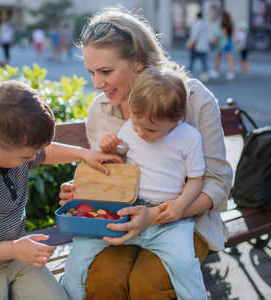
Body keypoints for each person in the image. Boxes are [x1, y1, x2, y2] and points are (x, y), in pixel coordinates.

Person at [58, 7, 233, 300]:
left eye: (105, 71)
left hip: (185, 220)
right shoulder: (100, 110)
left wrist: (157, 215)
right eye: (91, 72)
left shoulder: (193, 99)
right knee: (102, 281)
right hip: (122, 217)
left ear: (138, 62)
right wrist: (84, 190)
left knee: (148, 285)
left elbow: (218, 182)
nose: (96, 84)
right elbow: (109, 171)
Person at [0, 80, 122, 300]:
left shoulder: (11, 150)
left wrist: (83, 154)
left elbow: (44, 153)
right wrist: (12, 248)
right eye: (27, 157)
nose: (33, 159)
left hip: (17, 257)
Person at [62, 67, 207, 300]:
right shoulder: (131, 128)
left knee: (184, 265)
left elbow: (196, 180)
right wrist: (111, 150)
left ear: (176, 120)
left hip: (166, 217)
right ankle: (69, 295)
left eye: (149, 129)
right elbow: (121, 164)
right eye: (135, 123)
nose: (139, 132)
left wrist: (181, 204)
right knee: (80, 253)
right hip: (125, 210)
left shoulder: (189, 138)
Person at [209, 11, 235, 80]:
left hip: (222, 42)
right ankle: (231, 72)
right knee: (229, 58)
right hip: (229, 42)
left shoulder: (223, 24)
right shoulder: (231, 24)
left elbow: (222, 34)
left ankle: (215, 71)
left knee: (218, 57)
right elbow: (232, 34)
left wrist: (216, 39)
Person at [186, 12, 210, 82]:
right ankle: (205, 75)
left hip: (196, 46)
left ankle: (188, 74)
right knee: (204, 61)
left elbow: (194, 35)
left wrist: (190, 43)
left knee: (192, 60)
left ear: (197, 16)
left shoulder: (197, 23)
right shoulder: (205, 24)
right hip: (204, 46)